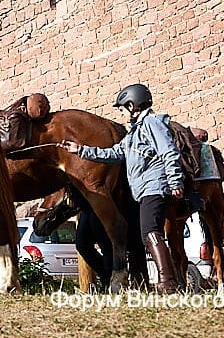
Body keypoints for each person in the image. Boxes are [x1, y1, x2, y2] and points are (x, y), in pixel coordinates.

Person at [61, 83, 185, 293]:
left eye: (122, 108)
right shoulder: (134, 134)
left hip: (154, 186)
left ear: (132, 104)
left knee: (151, 233)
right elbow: (112, 154)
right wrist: (79, 150)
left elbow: (169, 152)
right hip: (144, 190)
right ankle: (168, 281)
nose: (122, 113)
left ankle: (168, 284)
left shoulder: (152, 124)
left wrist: (174, 181)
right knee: (149, 234)